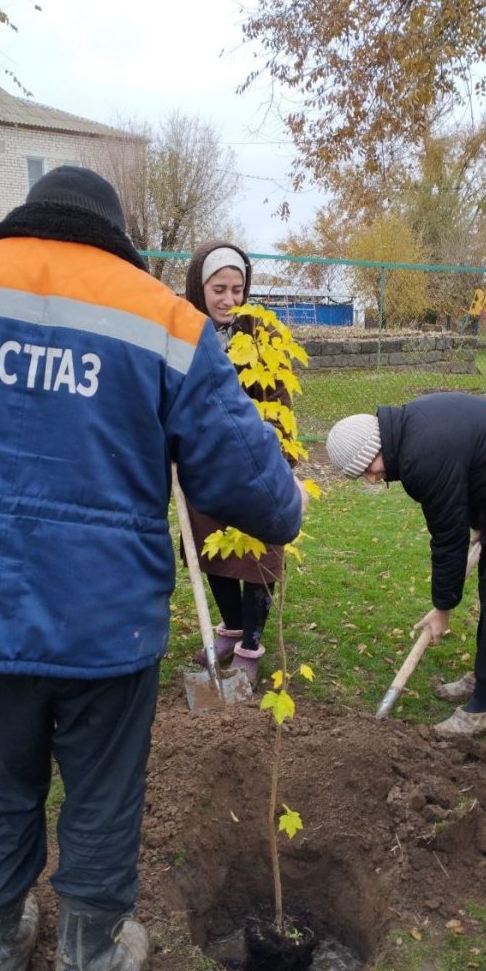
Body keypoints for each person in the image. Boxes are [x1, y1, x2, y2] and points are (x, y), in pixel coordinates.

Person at [0, 167, 307, 971]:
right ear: (115, 233)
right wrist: (285, 508)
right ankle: (90, 955)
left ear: (24, 219)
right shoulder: (162, 319)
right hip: (106, 620)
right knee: (102, 791)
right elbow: (248, 478)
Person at [324, 393, 486, 735]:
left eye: (366, 469)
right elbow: (475, 466)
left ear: (372, 448)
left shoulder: (420, 458)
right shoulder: (411, 426)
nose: (372, 479)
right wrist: (481, 521)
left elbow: (448, 539)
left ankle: (480, 708)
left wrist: (443, 607)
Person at [181, 240, 296, 686]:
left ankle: (251, 643)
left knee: (260, 556)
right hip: (203, 463)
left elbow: (280, 399)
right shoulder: (185, 331)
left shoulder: (260, 333)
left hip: (256, 464)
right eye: (218, 289)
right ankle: (229, 628)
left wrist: (283, 459)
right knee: (213, 549)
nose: (230, 300)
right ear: (200, 287)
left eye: (237, 288)